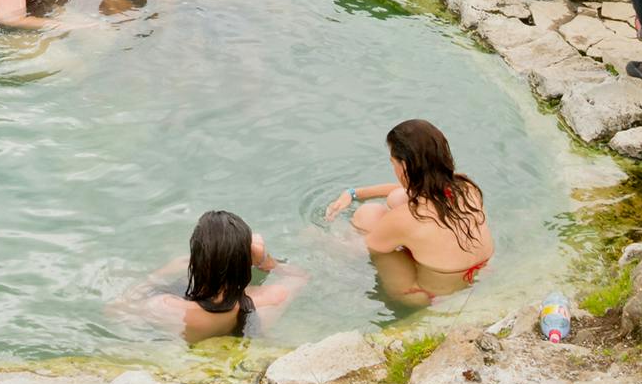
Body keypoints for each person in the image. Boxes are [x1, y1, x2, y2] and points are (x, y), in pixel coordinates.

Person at [324, 118, 492, 304]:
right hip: (479, 274)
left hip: (424, 295)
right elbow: (412, 189)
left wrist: (313, 236)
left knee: (367, 216)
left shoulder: (403, 219)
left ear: (404, 166)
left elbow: (357, 251)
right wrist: (354, 193)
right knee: (397, 198)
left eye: (393, 162)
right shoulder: (467, 187)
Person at [129, 210, 306, 342]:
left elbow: (116, 310)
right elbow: (300, 277)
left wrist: (160, 273)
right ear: (245, 262)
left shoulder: (167, 307)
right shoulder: (266, 301)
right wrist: (265, 260)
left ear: (196, 260)